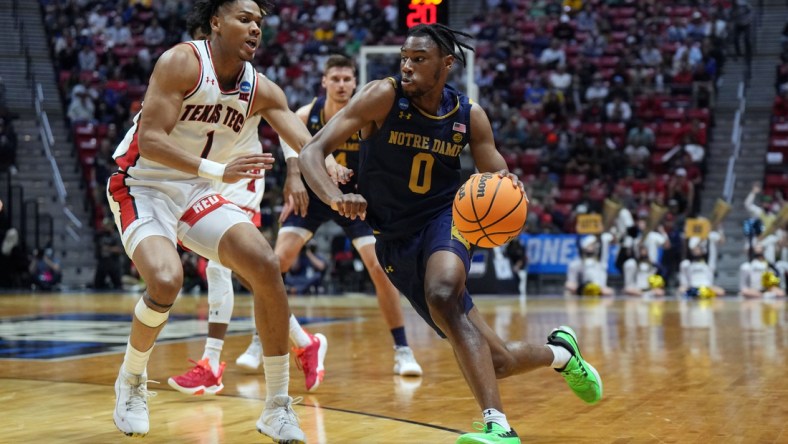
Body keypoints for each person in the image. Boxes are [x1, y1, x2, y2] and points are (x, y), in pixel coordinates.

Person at [299, 23, 602, 444]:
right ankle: (562, 354)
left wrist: (506, 200)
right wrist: (335, 197)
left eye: (419, 59)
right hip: (394, 237)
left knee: (442, 292)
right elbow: (311, 152)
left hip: (447, 218)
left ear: (447, 64)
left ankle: (499, 426)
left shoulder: (468, 116)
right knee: (496, 360)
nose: (407, 66)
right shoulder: (382, 96)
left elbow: (499, 177)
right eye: (404, 57)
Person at [105, 1, 342, 440]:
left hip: (197, 191)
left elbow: (305, 143)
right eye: (244, 19)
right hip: (144, 184)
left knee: (265, 265)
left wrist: (332, 171)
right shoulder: (182, 62)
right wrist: (217, 171)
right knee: (164, 280)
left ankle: (276, 407)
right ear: (216, 21)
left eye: (259, 22)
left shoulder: (263, 89)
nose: (254, 28)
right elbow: (152, 141)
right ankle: (132, 379)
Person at [167, 23, 338, 398]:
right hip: (209, 176)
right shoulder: (191, 73)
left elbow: (287, 125)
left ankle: (211, 364)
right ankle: (304, 341)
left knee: (219, 266)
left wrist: (295, 172)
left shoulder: (251, 80)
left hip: (242, 176)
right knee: (247, 270)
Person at [236, 54, 423, 381]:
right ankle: (259, 340)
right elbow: (291, 144)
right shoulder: (307, 114)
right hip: (315, 194)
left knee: (379, 268)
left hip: (356, 200)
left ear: (355, 82)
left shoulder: (368, 112)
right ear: (324, 82)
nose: (341, 85)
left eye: (347, 79)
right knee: (275, 263)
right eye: (334, 79)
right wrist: (294, 177)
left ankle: (402, 349)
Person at [678, 233, 725, 298]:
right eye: (696, 248)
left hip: (706, 287)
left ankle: (700, 294)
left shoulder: (707, 264)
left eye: (699, 248)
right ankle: (697, 294)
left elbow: (712, 254)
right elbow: (684, 281)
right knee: (682, 291)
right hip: (692, 287)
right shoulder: (686, 263)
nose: (697, 250)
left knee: (720, 292)